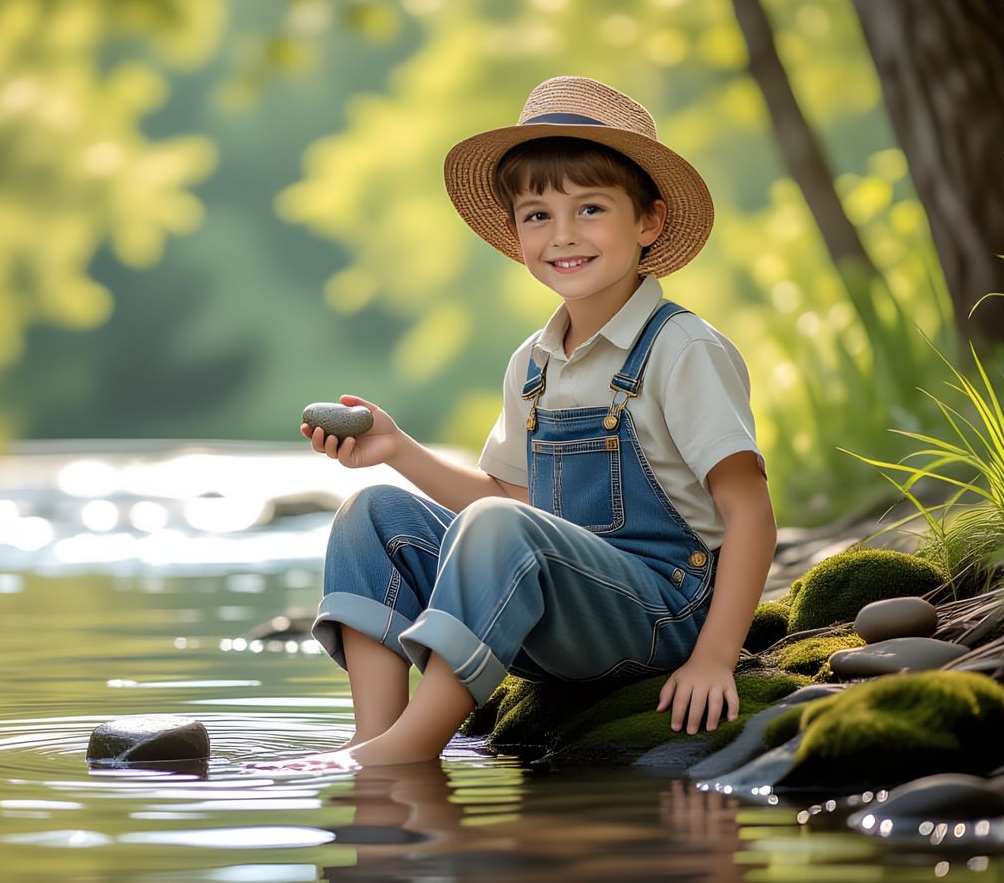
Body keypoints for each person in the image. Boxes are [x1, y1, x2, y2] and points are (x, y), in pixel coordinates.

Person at [279, 76, 774, 770]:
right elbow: (512, 504)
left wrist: (717, 659)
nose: (563, 235)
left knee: (499, 532)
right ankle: (374, 737)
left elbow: (750, 511)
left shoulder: (680, 348)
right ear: (514, 234)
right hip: (555, 611)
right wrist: (397, 450)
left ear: (649, 223)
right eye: (537, 215)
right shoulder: (534, 364)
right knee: (373, 516)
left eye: (591, 208)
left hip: (660, 613)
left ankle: (413, 750)